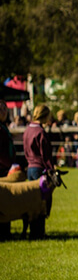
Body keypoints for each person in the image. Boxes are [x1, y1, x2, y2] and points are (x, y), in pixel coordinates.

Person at [22, 104, 55, 239]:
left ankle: (32, 229)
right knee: (41, 201)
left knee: (32, 200)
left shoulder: (27, 130)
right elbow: (45, 155)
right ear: (45, 116)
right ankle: (38, 232)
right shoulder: (40, 132)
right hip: (39, 169)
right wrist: (51, 170)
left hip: (30, 168)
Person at [0, 100, 14, 238]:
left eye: (5, 109)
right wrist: (7, 163)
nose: (4, 112)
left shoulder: (3, 127)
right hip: (2, 169)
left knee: (6, 202)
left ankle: (5, 230)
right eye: (1, 109)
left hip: (5, 170)